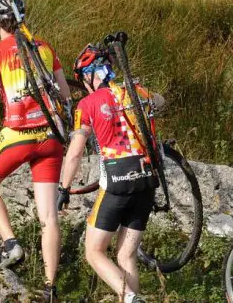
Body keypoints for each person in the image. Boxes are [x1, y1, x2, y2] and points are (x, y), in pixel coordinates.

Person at [0, 0, 70, 302]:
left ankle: (12, 244)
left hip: (17, 135)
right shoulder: (46, 47)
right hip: (52, 139)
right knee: (48, 217)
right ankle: (50, 288)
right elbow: (65, 95)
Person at [58, 43, 164, 303]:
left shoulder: (87, 103)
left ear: (91, 76)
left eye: (84, 79)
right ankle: (130, 297)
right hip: (147, 180)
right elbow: (160, 101)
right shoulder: (135, 91)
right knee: (126, 256)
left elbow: (74, 153)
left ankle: (130, 298)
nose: (83, 84)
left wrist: (63, 188)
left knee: (93, 252)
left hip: (118, 183)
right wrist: (140, 98)